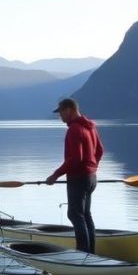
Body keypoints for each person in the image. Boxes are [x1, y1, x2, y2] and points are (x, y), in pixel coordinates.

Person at [46, 97, 104, 254]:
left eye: (61, 113)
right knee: (85, 214)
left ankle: (83, 254)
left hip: (78, 178)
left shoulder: (74, 129)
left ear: (68, 110)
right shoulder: (91, 127)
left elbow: (75, 159)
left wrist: (55, 175)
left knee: (74, 214)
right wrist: (92, 168)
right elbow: (99, 151)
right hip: (91, 178)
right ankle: (90, 253)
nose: (60, 117)